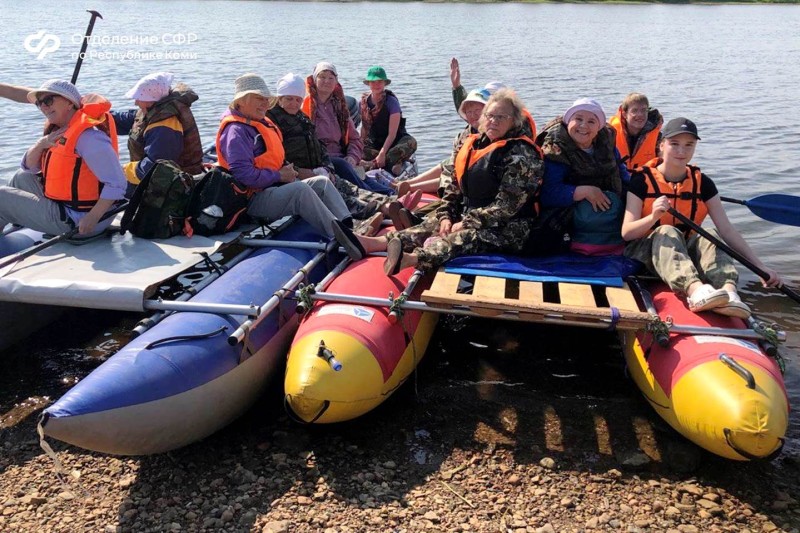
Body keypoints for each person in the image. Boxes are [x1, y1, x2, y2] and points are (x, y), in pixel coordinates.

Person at [332, 89, 543, 276]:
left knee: (467, 237)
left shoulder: (521, 155)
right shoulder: (473, 144)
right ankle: (372, 244)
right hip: (471, 214)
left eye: (501, 117)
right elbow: (454, 186)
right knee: (431, 224)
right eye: (489, 116)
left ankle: (410, 260)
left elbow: (506, 207)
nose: (493, 121)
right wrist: (446, 216)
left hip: (509, 228)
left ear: (513, 120)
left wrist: (465, 223)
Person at [621, 117, 781, 320]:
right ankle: (695, 290)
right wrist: (653, 217)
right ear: (661, 145)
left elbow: (727, 230)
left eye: (689, 145)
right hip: (647, 254)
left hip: (683, 252)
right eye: (674, 144)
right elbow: (626, 233)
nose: (682, 151)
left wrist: (759, 266)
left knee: (709, 233)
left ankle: (729, 290)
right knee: (666, 230)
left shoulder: (703, 183)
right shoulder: (640, 181)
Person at [267, 73, 417, 234]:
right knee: (336, 189)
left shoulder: (302, 118)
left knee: (347, 186)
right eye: (289, 98)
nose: (294, 103)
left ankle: (388, 204)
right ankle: (366, 220)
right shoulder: (273, 122)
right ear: (280, 98)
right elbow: (278, 158)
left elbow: (320, 147)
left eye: (297, 99)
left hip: (319, 168)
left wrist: (326, 168)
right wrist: (306, 172)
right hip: (296, 175)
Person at [215, 73, 353, 239]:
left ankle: (349, 226)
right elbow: (244, 175)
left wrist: (287, 171)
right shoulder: (236, 132)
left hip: (271, 188)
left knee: (321, 183)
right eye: (259, 98)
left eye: (267, 99)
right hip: (250, 201)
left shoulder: (258, 123)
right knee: (300, 190)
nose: (266, 104)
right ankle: (342, 238)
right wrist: (279, 175)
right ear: (241, 101)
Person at [0, 80, 126, 237]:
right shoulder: (61, 131)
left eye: (49, 100)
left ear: (69, 103)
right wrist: (41, 144)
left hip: (80, 220)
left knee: (1, 196)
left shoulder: (89, 138)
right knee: (22, 177)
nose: (44, 107)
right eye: (40, 103)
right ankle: (15, 223)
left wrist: (92, 218)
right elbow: (29, 167)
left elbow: (117, 184)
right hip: (65, 206)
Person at [537, 98, 630, 256]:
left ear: (598, 127)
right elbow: (547, 194)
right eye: (578, 119)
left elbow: (623, 175)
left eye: (591, 121)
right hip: (569, 218)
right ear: (568, 122)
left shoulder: (607, 145)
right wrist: (583, 192)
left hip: (610, 213)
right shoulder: (555, 150)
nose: (583, 126)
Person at [301, 62, 390, 194]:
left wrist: (352, 157)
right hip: (320, 160)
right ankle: (381, 198)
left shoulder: (339, 108)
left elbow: (355, 139)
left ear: (336, 81)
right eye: (322, 77)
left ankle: (394, 194)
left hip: (341, 158)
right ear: (315, 80)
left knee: (361, 176)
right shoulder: (304, 106)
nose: (327, 81)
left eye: (331, 78)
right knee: (345, 168)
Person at [112, 72, 204, 196]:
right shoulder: (152, 111)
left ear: (151, 100)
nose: (136, 102)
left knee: (114, 187)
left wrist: (122, 170)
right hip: (150, 181)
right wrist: (98, 115)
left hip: (169, 189)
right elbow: (125, 120)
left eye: (139, 98)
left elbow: (154, 168)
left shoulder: (165, 127)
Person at [359, 66, 417, 176]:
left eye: (380, 81)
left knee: (411, 142)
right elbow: (364, 128)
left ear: (385, 83)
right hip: (375, 143)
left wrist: (382, 153)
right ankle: (392, 163)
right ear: (369, 83)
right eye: (373, 82)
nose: (376, 85)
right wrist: (359, 146)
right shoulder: (363, 102)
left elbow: (392, 134)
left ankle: (373, 164)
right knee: (356, 148)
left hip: (395, 142)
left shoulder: (391, 102)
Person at [608, 93, 663, 172]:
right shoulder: (610, 134)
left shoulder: (657, 137)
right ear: (624, 114)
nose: (640, 115)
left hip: (644, 180)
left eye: (644, 110)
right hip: (618, 179)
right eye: (634, 110)